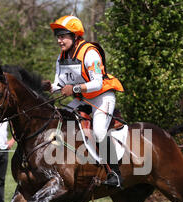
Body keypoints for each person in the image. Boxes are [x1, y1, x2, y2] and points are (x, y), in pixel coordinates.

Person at [42, 15, 124, 188]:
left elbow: (97, 83)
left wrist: (74, 89)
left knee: (100, 132)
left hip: (102, 97)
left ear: (74, 36)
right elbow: (61, 85)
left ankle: (115, 173)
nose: (59, 40)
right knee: (59, 121)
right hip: (82, 99)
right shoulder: (62, 57)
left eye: (63, 36)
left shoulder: (89, 52)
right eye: (58, 36)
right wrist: (50, 87)